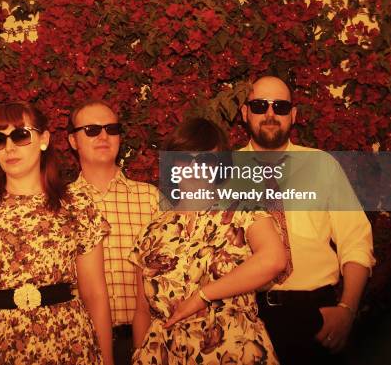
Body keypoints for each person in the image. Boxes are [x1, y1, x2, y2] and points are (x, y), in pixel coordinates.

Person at [0, 102, 113, 365]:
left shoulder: (78, 207)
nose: (9, 147)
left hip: (69, 345)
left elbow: (94, 294)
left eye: (20, 135)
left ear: (44, 139)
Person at [240, 75, 375, 365]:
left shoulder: (322, 165)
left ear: (294, 114)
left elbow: (356, 241)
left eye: (281, 106)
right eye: (260, 105)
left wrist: (347, 309)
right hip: (244, 317)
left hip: (317, 316)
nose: (271, 114)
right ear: (245, 112)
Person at [130, 117, 287, 364]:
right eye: (184, 157)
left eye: (205, 159)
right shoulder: (152, 229)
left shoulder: (244, 210)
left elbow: (275, 260)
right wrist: (140, 353)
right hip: (165, 354)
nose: (194, 166)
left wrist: (203, 296)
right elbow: (141, 311)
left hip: (234, 351)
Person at [68, 99, 163, 365]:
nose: (103, 136)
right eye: (91, 130)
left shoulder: (150, 198)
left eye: (111, 129)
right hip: (79, 342)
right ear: (72, 141)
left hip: (146, 340)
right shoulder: (59, 204)